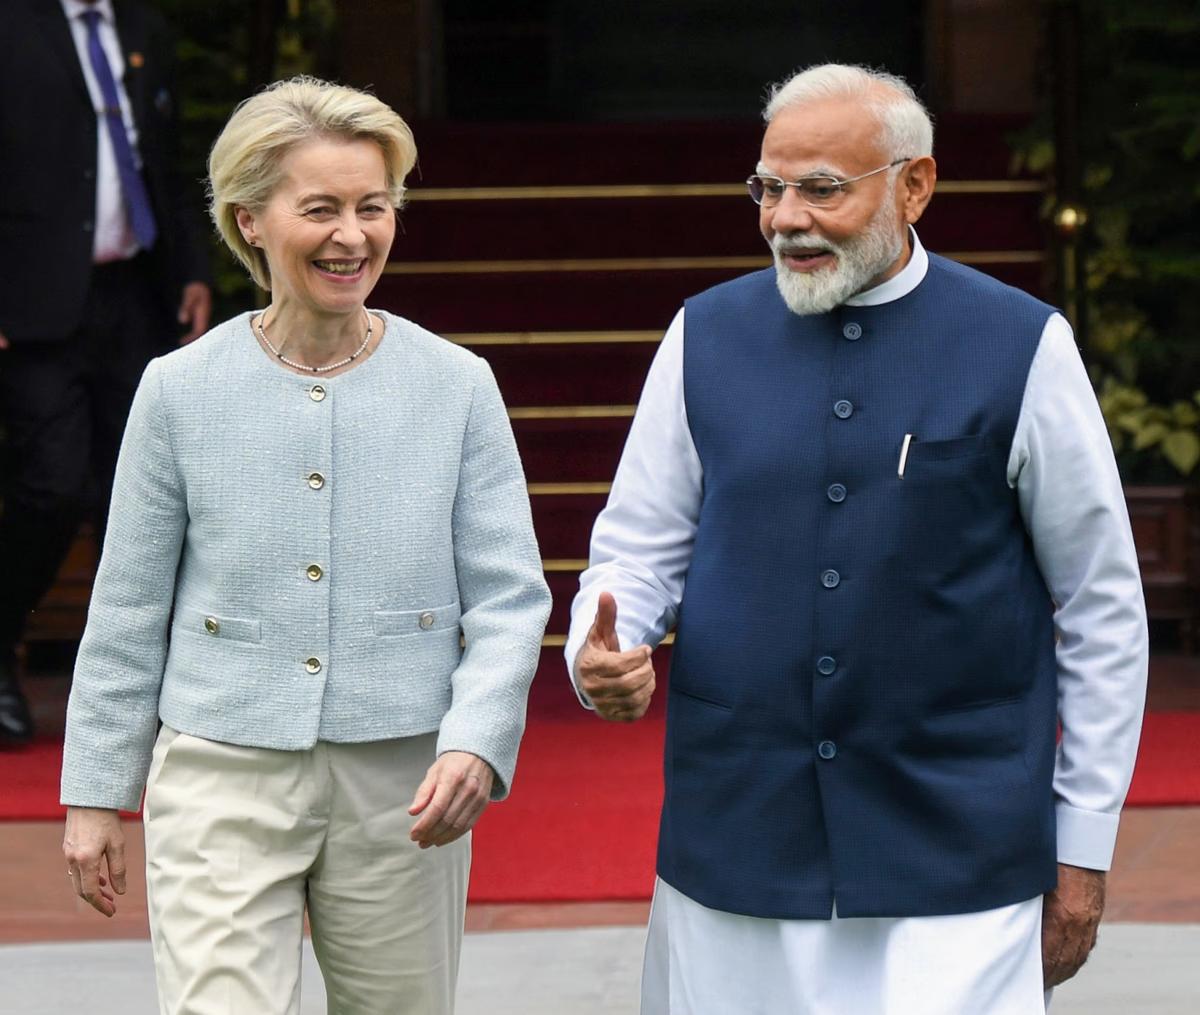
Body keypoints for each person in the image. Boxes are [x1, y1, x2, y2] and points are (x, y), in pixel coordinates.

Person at [566, 63, 1148, 1013]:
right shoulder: (701, 335)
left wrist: (1081, 844)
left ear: (914, 185)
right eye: (768, 186)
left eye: (822, 189)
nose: (785, 217)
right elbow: (637, 546)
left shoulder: (1021, 342)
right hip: (738, 833)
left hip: (959, 842)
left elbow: (1101, 605)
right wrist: (613, 642)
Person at [59, 77, 551, 1014]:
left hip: (405, 782)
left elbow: (509, 597)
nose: (353, 236)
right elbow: (126, 606)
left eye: (374, 207)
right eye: (319, 209)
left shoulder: (457, 384)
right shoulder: (176, 389)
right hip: (220, 769)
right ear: (249, 221)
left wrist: (478, 741)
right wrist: (93, 792)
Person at [0, 0, 213, 745]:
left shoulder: (143, 24)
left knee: (146, 491)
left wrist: (191, 271)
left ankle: (155, 682)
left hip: (135, 296)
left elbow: (169, 160)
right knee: (52, 485)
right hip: (31, 303)